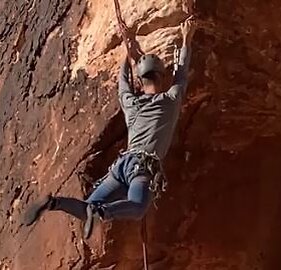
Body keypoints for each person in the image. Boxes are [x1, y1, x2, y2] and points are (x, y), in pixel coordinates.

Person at [24, 17, 197, 240]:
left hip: (121, 166)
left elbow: (122, 82)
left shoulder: (131, 103)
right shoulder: (169, 100)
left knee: (86, 209)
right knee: (137, 207)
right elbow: (181, 74)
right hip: (141, 168)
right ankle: (101, 212)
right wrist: (186, 40)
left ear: (141, 80)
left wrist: (128, 56)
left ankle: (53, 203)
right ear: (162, 77)